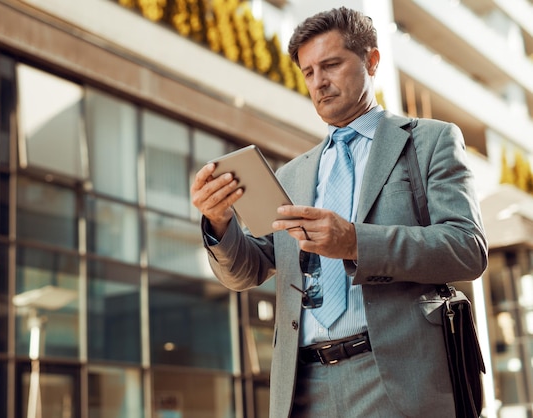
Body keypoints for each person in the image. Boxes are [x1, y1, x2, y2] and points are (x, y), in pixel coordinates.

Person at [190, 6, 487, 418]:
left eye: (330, 65)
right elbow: (249, 269)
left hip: (396, 378)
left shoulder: (429, 142)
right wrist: (220, 224)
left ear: (372, 61)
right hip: (304, 385)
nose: (319, 83)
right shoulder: (291, 175)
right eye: (308, 72)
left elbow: (467, 248)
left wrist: (354, 242)